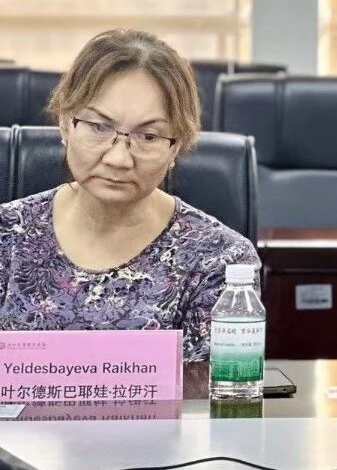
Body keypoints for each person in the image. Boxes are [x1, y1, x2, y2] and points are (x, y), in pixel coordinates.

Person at [0, 30, 258, 361]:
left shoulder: (220, 260)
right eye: (99, 127)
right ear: (65, 123)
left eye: (148, 136)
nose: (119, 159)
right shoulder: (7, 233)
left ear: (176, 146)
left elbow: (215, 389)